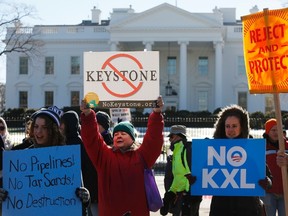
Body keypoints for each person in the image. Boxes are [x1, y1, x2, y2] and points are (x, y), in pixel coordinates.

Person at [80, 96, 164, 216]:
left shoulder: (142, 156)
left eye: (123, 133)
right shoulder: (104, 157)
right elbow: (92, 139)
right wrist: (88, 115)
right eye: (116, 134)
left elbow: (154, 139)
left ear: (132, 138)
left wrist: (156, 114)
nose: (119, 136)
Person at [0, 106, 90, 215]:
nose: (39, 131)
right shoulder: (21, 159)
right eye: (36, 126)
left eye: (44, 127)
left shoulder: (67, 158)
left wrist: (85, 198)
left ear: (53, 130)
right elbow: (8, 190)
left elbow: (80, 200)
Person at [209, 104, 272, 216]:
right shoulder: (215, 149)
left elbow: (267, 176)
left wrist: (266, 182)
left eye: (234, 126)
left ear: (242, 127)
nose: (230, 130)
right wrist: (195, 180)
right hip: (221, 208)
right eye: (227, 126)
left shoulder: (252, 148)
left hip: (247, 208)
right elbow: (205, 175)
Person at [60, 110, 98, 216]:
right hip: (83, 191)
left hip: (79, 191)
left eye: (62, 123)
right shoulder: (79, 142)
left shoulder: (71, 144)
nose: (60, 126)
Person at [160, 125, 202, 216]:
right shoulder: (175, 151)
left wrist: (189, 194)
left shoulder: (187, 150)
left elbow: (192, 175)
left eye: (171, 136)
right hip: (178, 197)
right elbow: (177, 176)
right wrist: (169, 194)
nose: (170, 139)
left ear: (179, 136)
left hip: (186, 198)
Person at [261, 118, 288, 216]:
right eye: (273, 130)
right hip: (269, 191)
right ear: (267, 131)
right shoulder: (262, 146)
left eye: (278, 129)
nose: (276, 132)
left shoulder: (287, 146)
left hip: (285, 190)